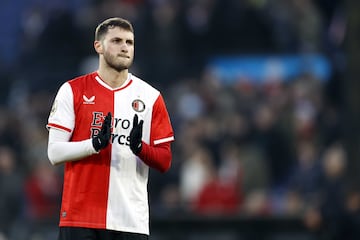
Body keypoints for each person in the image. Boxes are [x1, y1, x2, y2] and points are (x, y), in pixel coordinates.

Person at [46, 17, 175, 240]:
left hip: (130, 220)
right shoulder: (72, 90)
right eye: (116, 40)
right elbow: (54, 153)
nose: (125, 47)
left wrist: (139, 148)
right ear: (98, 46)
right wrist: (93, 144)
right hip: (80, 217)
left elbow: (164, 161)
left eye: (130, 42)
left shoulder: (151, 97)